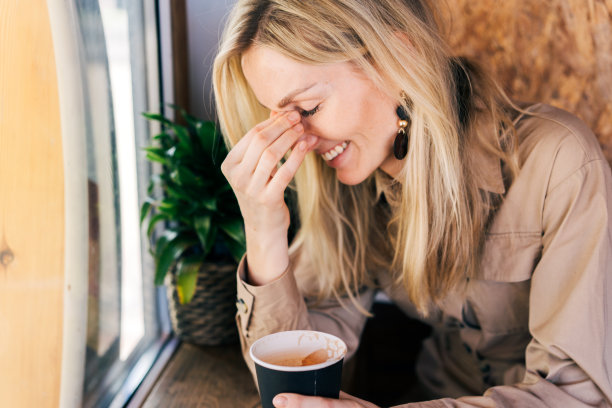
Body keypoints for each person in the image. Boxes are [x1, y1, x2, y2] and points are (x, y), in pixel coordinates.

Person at [212, 0, 612, 406]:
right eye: (279, 119)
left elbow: (578, 397)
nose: (302, 140)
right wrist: (263, 231)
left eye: (309, 108)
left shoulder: (559, 165)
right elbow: (289, 382)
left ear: (400, 57)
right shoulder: (349, 185)